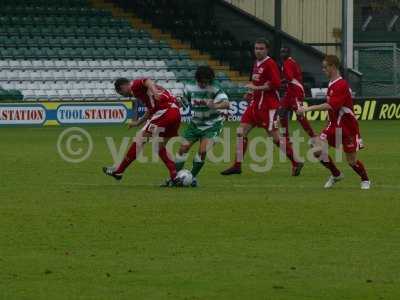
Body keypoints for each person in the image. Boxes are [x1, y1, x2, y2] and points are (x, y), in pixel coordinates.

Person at [221, 39, 303, 176]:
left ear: (267, 50)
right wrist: (250, 92)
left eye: (261, 48)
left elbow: (276, 84)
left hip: (268, 106)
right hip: (255, 104)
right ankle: (237, 165)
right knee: (241, 132)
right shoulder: (256, 63)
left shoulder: (270, 64)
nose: (258, 51)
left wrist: (257, 88)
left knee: (275, 137)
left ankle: (296, 161)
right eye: (256, 48)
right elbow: (256, 81)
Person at [297, 55, 371, 189]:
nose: (323, 69)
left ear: (333, 67)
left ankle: (365, 180)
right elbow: (332, 109)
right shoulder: (331, 83)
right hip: (334, 126)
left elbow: (331, 105)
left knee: (352, 161)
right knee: (316, 150)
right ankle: (336, 174)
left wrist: (308, 108)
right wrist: (328, 120)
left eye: (325, 67)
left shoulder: (341, 84)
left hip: (348, 128)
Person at [103, 77, 181, 187]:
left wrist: (154, 91)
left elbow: (146, 80)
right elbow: (150, 110)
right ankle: (175, 176)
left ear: (123, 87)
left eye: (121, 92)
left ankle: (119, 171)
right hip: (175, 114)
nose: (123, 95)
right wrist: (138, 122)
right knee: (159, 147)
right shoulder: (142, 94)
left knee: (140, 139)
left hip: (165, 112)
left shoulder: (134, 85)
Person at [175, 66, 230, 187]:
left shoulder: (215, 87)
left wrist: (215, 106)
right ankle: (175, 178)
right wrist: (177, 102)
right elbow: (182, 102)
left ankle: (192, 178)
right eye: (201, 81)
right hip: (195, 124)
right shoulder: (189, 86)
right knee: (183, 149)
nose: (204, 84)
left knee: (203, 151)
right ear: (197, 79)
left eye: (206, 82)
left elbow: (226, 103)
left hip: (212, 125)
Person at [279, 46, 316, 139]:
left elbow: (289, 78)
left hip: (295, 91)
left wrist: (277, 82)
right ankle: (285, 136)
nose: (282, 54)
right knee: (282, 112)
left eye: (284, 52)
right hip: (290, 91)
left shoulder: (287, 63)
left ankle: (313, 136)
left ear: (289, 53)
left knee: (299, 114)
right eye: (281, 52)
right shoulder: (290, 62)